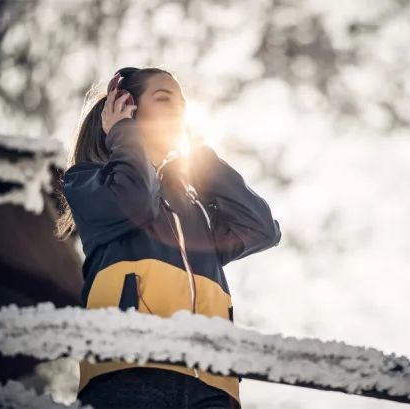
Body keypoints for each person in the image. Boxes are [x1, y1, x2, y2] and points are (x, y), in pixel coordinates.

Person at [54, 66, 282, 409]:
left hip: (212, 382)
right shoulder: (87, 182)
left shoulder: (194, 207)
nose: (179, 110)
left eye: (183, 102)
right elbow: (135, 202)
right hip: (129, 367)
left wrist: (202, 162)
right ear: (128, 107)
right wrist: (122, 132)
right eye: (164, 98)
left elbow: (262, 228)